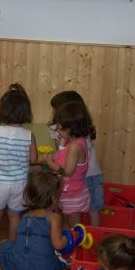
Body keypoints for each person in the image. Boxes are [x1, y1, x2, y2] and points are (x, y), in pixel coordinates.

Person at [0, 83, 38, 254]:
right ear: (26, 112)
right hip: (19, 183)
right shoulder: (29, 135)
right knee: (14, 216)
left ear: (3, 110)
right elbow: (34, 159)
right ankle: (12, 247)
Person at [0, 169, 66, 270]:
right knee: (61, 261)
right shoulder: (54, 218)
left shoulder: (25, 217)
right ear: (54, 198)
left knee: (3, 245)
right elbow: (58, 245)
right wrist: (67, 237)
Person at [50, 91, 103, 226]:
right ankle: (73, 237)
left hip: (90, 176)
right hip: (77, 177)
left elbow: (67, 166)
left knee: (93, 208)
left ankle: (94, 234)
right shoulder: (72, 136)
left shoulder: (79, 138)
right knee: (71, 212)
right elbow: (61, 152)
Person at [43, 102, 91, 227]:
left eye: (61, 127)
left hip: (72, 194)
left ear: (73, 127)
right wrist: (54, 157)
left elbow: (67, 171)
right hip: (65, 191)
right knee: (64, 221)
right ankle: (65, 242)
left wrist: (49, 163)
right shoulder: (68, 140)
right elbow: (63, 157)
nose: (58, 129)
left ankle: (75, 245)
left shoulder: (75, 146)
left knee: (75, 226)